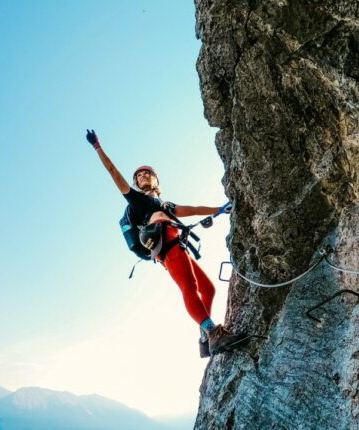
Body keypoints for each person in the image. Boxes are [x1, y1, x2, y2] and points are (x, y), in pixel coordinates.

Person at [86, 129, 247, 357]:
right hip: (166, 246)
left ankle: (205, 336)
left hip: (176, 244)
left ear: (155, 180)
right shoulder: (137, 201)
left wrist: (220, 209)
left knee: (208, 288)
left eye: (147, 173)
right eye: (138, 175)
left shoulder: (163, 204)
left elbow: (191, 210)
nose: (142, 176)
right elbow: (113, 172)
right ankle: (213, 333)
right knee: (189, 287)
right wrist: (97, 146)